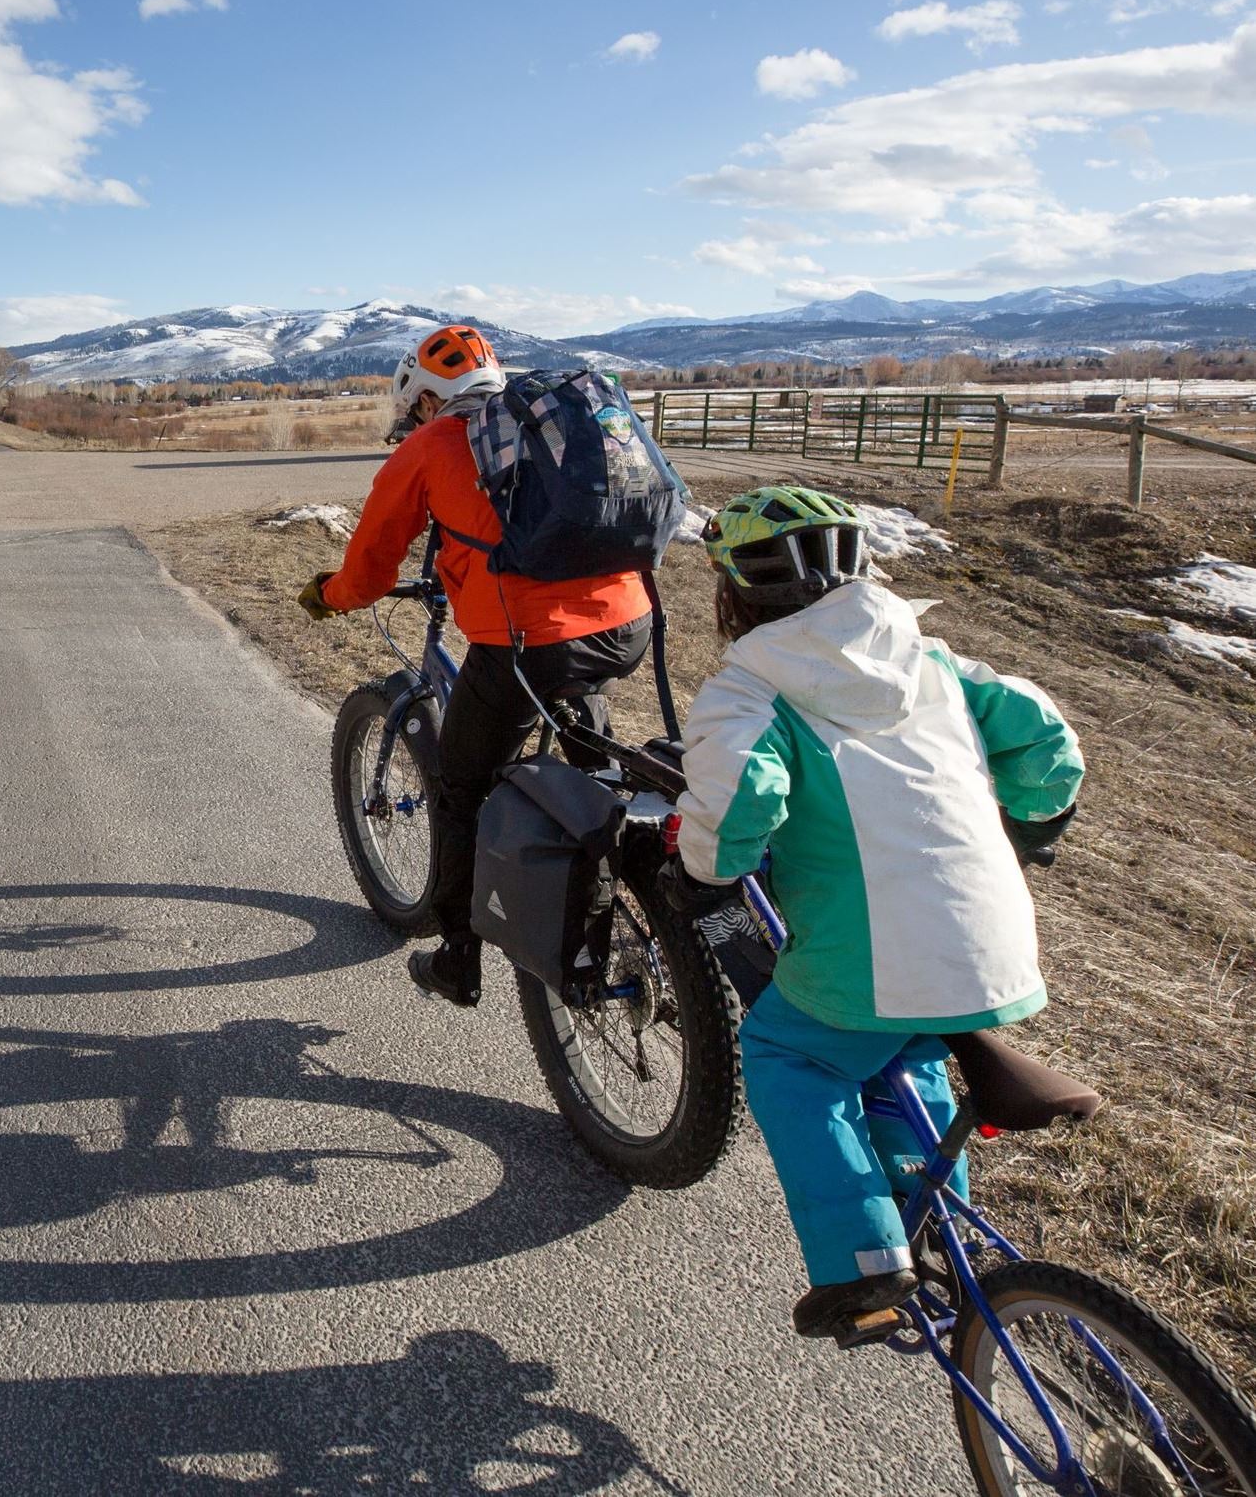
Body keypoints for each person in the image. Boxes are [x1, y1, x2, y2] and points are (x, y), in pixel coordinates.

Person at [661, 485, 1083, 1344]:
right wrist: (1029, 823)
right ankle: (938, 1234)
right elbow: (1047, 741)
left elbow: (739, 800)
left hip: (876, 960)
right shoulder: (934, 662)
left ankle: (863, 1263)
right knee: (907, 1054)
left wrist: (706, 872)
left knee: (788, 1054)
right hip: (997, 948)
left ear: (733, 591)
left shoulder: (753, 687)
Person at [298, 324, 652, 1006]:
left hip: (533, 644)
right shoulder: (550, 423)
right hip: (628, 620)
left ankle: (459, 959)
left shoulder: (433, 445)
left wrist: (330, 597)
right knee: (588, 754)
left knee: (461, 785)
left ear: (428, 401)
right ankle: (622, 866)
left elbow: (370, 566)